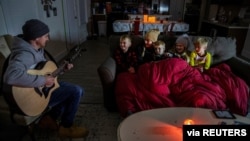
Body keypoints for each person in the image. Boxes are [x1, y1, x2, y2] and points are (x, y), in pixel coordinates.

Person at [2, 19, 89, 138]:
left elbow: (43, 72)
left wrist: (62, 70)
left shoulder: (37, 49)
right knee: (76, 91)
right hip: (30, 100)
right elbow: (10, 76)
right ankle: (66, 127)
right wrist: (43, 80)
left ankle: (50, 117)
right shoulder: (24, 54)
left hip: (41, 91)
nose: (48, 38)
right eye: (45, 36)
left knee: (77, 91)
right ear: (36, 38)